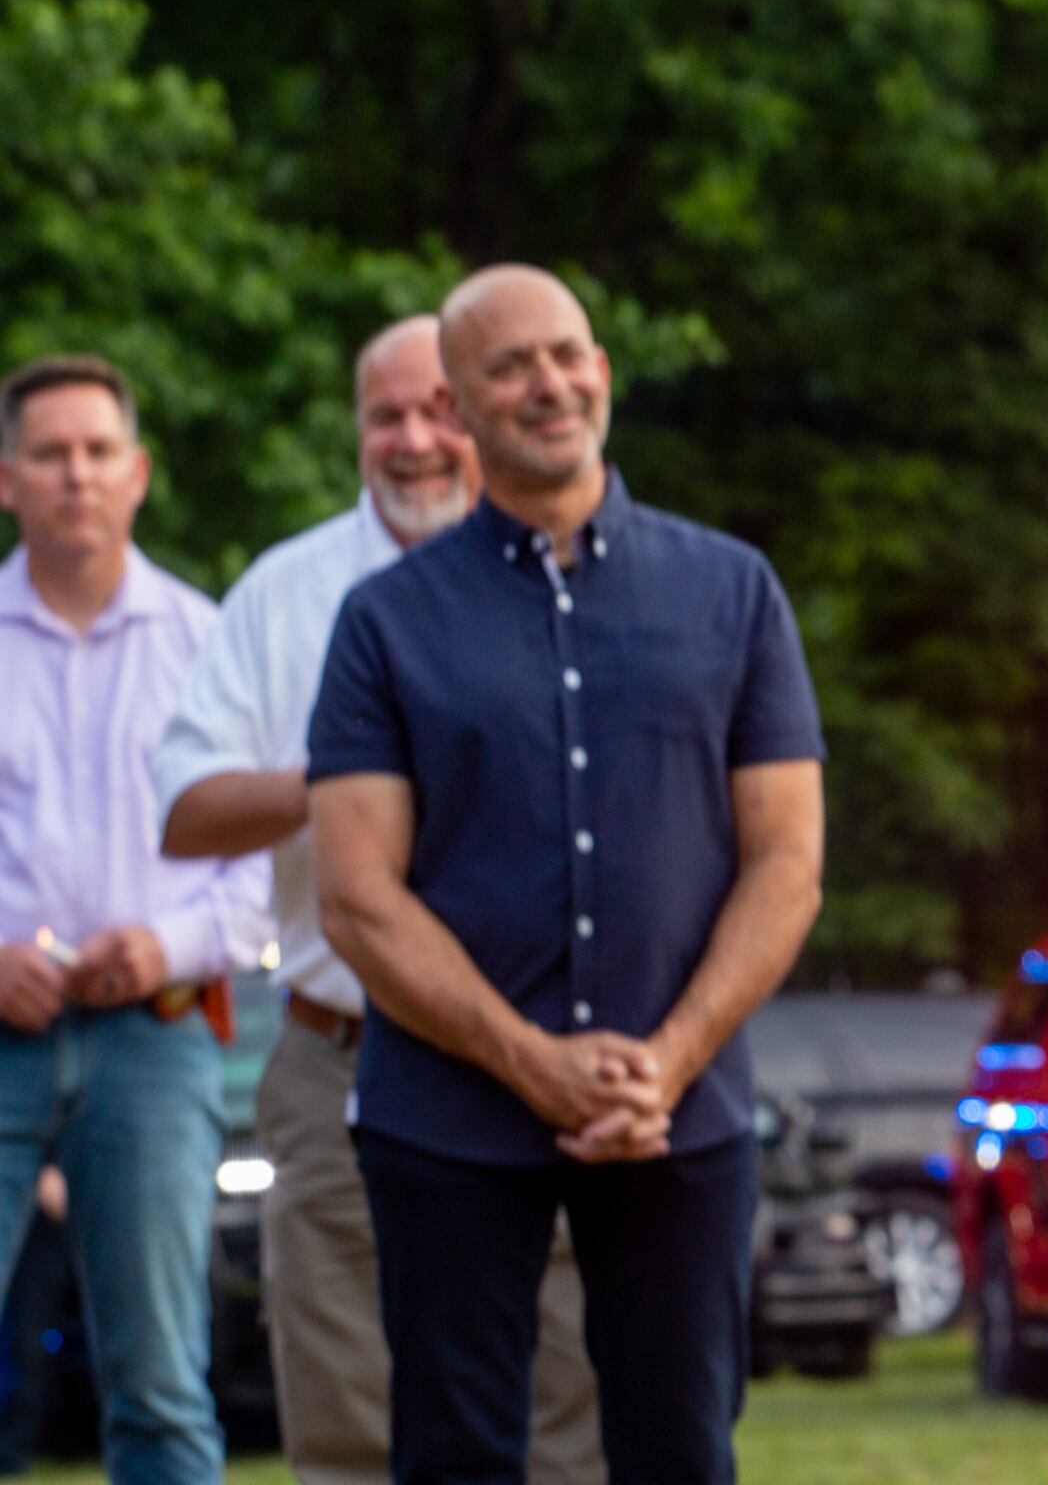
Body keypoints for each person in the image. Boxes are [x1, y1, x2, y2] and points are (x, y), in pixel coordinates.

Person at [308, 268, 824, 1485]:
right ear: (460, 406)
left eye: (568, 354)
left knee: (680, 1450)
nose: (550, 383)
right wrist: (530, 1060)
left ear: (601, 368)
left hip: (677, 1113)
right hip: (447, 1110)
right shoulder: (385, 622)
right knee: (456, 1456)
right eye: (511, 366)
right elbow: (358, 894)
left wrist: (675, 1055)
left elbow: (788, 858)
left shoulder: (733, 591)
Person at [154, 316, 606, 1485]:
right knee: (352, 1420)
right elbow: (185, 806)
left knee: (563, 1410)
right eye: (384, 417)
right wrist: (346, 774)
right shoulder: (289, 591)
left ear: (484, 409)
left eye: (437, 410)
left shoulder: (580, 579)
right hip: (343, 1051)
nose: (414, 441)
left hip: (543, 1060)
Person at [0, 354, 270, 1485]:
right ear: (8, 478)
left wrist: (170, 943)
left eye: (99, 451)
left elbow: (267, 865)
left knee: (161, 1382)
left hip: (155, 1034)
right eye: (51, 454)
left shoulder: (210, 645)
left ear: (140, 472)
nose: (77, 475)